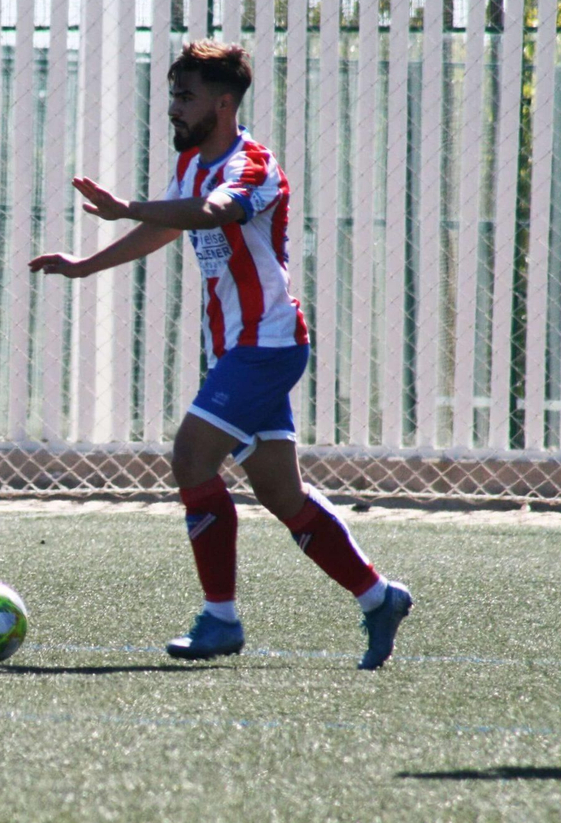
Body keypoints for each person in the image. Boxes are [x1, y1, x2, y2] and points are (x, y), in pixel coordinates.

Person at [29, 40, 412, 668]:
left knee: (190, 454)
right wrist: (85, 266)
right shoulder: (193, 163)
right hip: (240, 348)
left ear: (224, 102)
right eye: (172, 96)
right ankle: (378, 597)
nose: (173, 110)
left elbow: (213, 213)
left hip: (268, 344)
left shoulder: (252, 165)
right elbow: (169, 225)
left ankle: (220, 618)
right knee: (284, 498)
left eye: (186, 97)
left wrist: (125, 204)